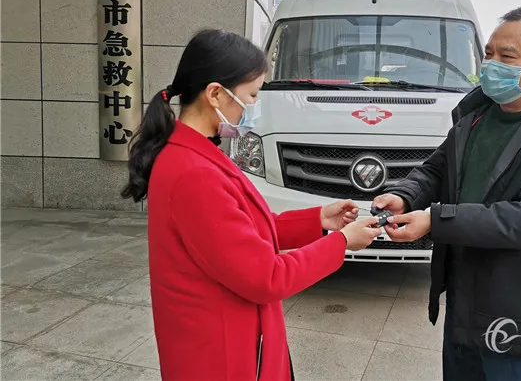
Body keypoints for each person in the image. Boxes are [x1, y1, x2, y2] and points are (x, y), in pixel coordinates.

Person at [121, 29, 382, 381]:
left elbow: (244, 230)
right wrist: (341, 243)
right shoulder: (193, 173)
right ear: (215, 93)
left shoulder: (196, 153)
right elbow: (266, 277)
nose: (255, 107)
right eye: (252, 95)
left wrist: (319, 220)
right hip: (220, 357)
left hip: (224, 343)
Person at [372, 5, 521, 381]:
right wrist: (404, 195)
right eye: (489, 54)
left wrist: (435, 220)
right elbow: (436, 169)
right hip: (464, 309)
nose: (492, 65)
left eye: (507, 57)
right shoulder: (477, 114)